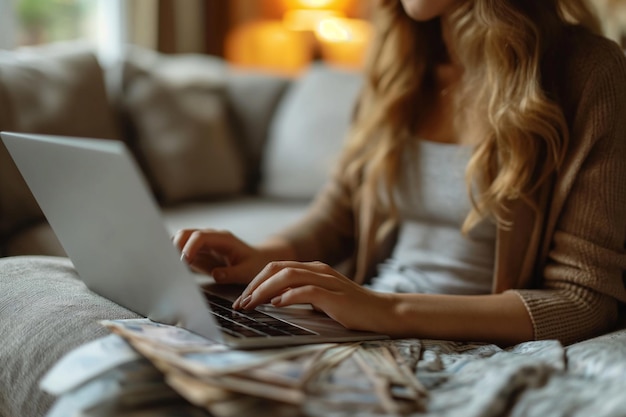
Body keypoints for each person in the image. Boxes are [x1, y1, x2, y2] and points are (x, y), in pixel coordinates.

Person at [174, 0, 626, 346]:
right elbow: (336, 218)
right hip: (364, 325)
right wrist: (263, 256)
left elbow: (584, 301)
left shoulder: (589, 73)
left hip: (455, 341)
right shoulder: (399, 66)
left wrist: (383, 310)